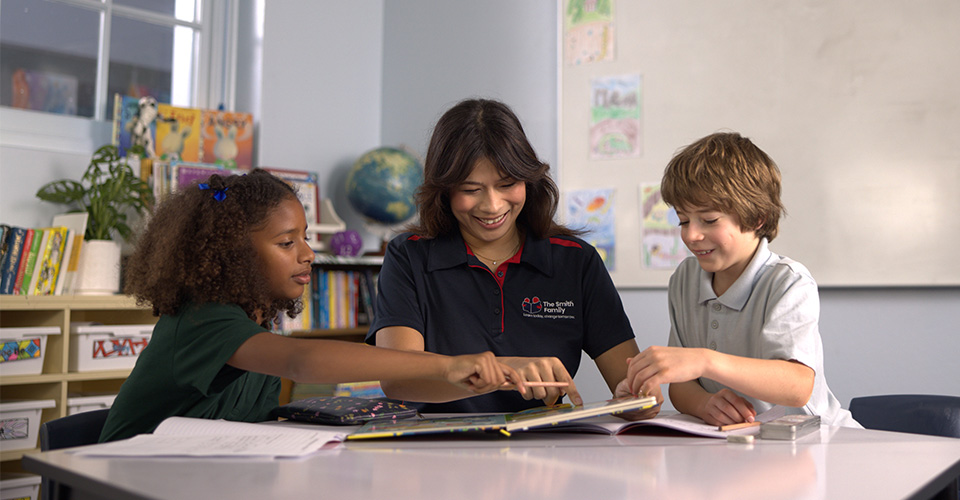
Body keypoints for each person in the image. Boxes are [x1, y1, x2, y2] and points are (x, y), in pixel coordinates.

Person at [100, 169, 525, 442]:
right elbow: (303, 361)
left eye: (305, 237)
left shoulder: (261, 323)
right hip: (124, 482)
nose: (308, 254)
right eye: (288, 243)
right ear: (234, 255)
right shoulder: (202, 320)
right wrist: (446, 366)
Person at [368, 98, 663, 415]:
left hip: (541, 453)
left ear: (529, 180)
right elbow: (399, 379)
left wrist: (637, 399)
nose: (492, 206)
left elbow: (639, 397)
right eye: (471, 189)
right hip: (432, 449)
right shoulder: (408, 256)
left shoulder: (577, 262)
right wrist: (502, 372)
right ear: (444, 191)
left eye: (507, 184)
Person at [620, 132, 860, 427]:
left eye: (709, 220)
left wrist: (705, 360)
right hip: (742, 445)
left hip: (816, 443)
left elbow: (797, 386)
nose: (691, 235)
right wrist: (705, 403)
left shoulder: (788, 282)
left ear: (757, 217)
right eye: (683, 220)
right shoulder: (684, 279)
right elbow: (682, 386)